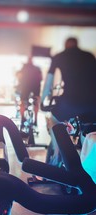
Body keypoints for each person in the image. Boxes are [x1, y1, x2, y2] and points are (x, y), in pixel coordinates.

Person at [41, 37, 96, 165]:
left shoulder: (60, 56)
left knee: (53, 120)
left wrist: (42, 100)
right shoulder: (88, 56)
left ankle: (56, 153)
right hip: (92, 102)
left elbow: (49, 80)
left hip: (71, 100)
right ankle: (86, 161)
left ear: (66, 45)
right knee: (88, 129)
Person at [17, 56, 42, 128]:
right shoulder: (37, 68)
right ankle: (36, 120)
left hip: (26, 86)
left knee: (22, 102)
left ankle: (22, 119)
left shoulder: (24, 68)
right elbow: (41, 78)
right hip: (35, 86)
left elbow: (19, 77)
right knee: (36, 101)